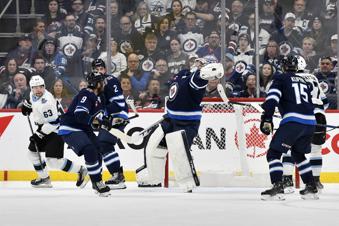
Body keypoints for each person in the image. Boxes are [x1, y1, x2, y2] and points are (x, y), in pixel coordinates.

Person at [136, 61, 224, 192]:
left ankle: (186, 180)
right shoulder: (182, 74)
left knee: (180, 150)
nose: (196, 62)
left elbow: (201, 77)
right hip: (170, 119)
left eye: (200, 62)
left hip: (187, 122)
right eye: (195, 60)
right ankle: (153, 178)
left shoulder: (197, 79)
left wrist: (208, 71)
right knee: (153, 145)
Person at [260, 54, 318, 200]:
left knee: (273, 153)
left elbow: (272, 99)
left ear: (283, 66)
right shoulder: (306, 81)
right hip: (310, 123)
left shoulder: (280, 78)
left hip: (293, 122)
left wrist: (266, 117)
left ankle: (277, 186)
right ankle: (311, 186)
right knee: (298, 154)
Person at [20, 75, 88, 188]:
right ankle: (44, 178)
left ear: (44, 87)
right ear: (31, 88)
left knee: (53, 161)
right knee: (32, 154)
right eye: (35, 87)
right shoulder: (34, 94)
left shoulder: (47, 102)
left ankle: (81, 170)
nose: (38, 90)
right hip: (45, 128)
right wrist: (28, 104)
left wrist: (38, 135)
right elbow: (33, 99)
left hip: (56, 130)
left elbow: (54, 123)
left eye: (41, 87)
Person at [58, 71, 111, 196]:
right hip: (70, 128)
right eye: (102, 81)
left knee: (98, 149)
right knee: (90, 149)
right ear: (97, 84)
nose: (104, 84)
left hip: (83, 128)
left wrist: (104, 121)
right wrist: (97, 121)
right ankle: (97, 182)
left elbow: (93, 117)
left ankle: (96, 181)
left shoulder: (99, 97)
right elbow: (80, 115)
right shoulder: (87, 95)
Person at [281, 55, 328, 193]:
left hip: (300, 116)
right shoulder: (313, 78)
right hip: (319, 116)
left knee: (288, 147)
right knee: (316, 150)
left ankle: (287, 181)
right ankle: (316, 181)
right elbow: (325, 102)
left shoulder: (290, 79)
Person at [92, 59, 128, 190]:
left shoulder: (111, 80)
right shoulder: (95, 84)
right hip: (108, 117)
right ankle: (117, 175)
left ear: (105, 70)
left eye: (101, 69)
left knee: (104, 144)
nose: (99, 71)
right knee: (103, 145)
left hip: (117, 116)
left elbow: (118, 103)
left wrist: (103, 113)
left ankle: (118, 176)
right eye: (96, 70)